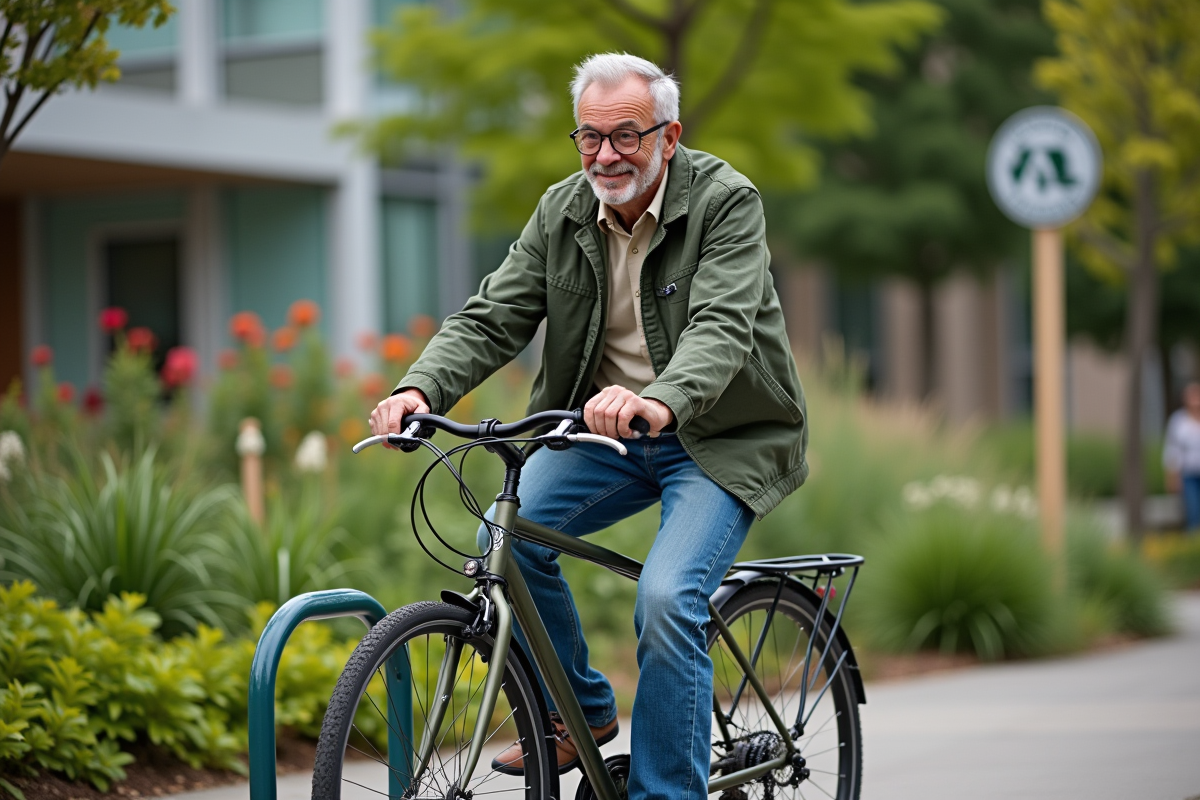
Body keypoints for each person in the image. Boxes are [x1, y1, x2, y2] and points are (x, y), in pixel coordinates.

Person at [369, 52, 807, 800]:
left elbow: (722, 329)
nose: (606, 155)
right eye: (590, 137)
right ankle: (584, 716)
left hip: (718, 438)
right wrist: (418, 387)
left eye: (627, 135)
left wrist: (662, 399)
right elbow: (491, 317)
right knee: (505, 537)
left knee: (669, 598)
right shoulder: (562, 210)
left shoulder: (727, 201)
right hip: (605, 434)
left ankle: (666, 792)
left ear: (669, 137)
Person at [1164, 381, 1200, 532]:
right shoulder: (1178, 421)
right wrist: (1172, 476)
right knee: (1193, 512)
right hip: (1189, 474)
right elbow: (1172, 451)